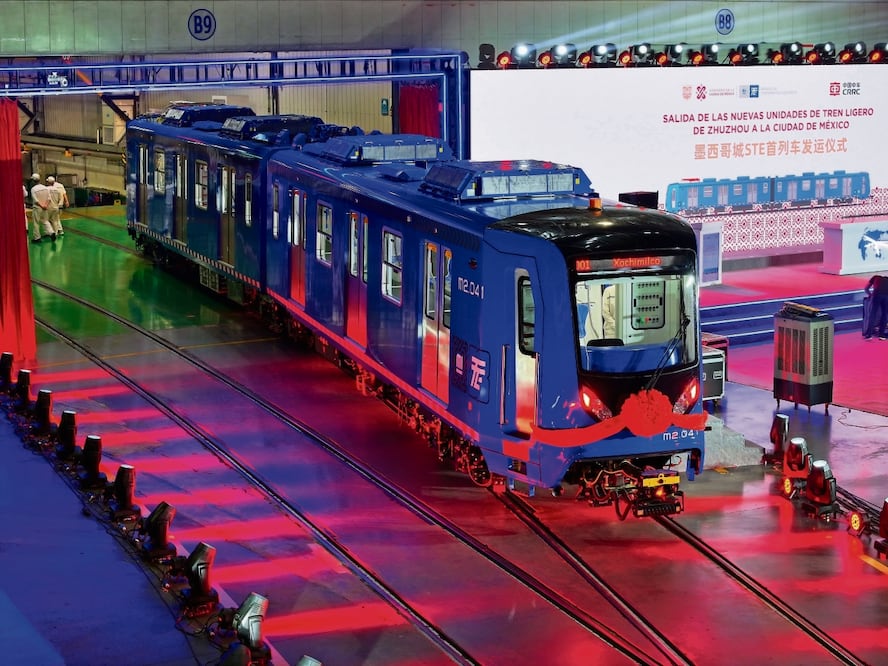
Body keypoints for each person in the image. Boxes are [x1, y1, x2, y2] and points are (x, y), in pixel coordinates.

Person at [29, 173, 54, 243]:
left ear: (33, 181)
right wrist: (45, 205)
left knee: (36, 223)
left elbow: (36, 200)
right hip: (45, 208)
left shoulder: (33, 189)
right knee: (45, 221)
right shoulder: (45, 188)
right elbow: (49, 199)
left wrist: (41, 206)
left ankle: (37, 238)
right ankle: (51, 232)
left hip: (37, 208)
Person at [864, 274, 888, 340]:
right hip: (886, 296)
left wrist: (870, 294)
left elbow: (866, 288)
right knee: (884, 314)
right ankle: (881, 335)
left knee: (873, 314)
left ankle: (869, 335)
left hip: (877, 294)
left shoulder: (875, 277)